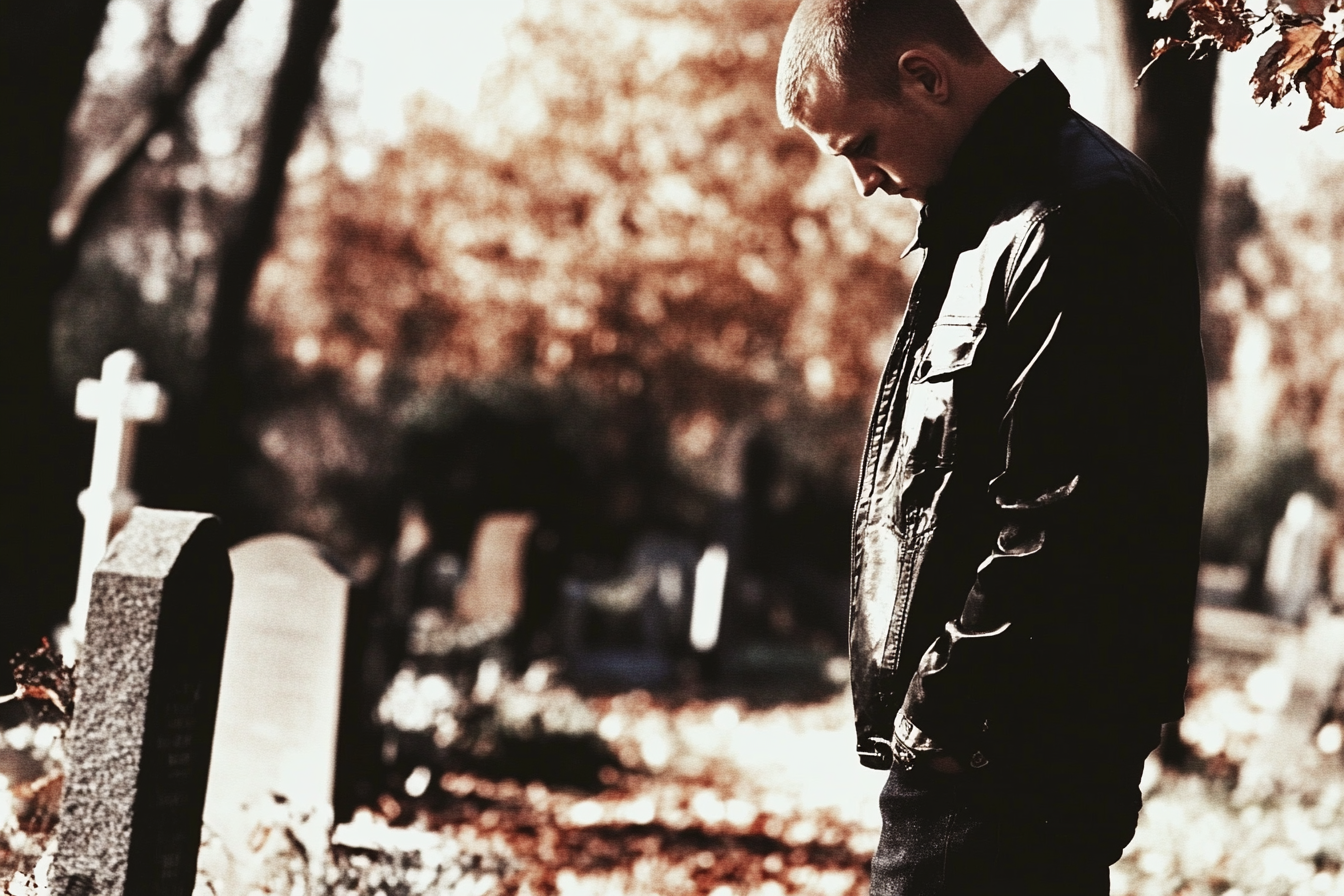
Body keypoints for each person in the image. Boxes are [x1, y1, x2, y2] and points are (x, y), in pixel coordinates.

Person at [774, 1, 1208, 893]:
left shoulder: (1076, 215)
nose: (861, 180)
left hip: (1004, 759)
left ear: (926, 77)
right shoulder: (985, 217)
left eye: (858, 145)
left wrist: (940, 727)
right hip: (977, 753)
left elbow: (1065, 521)